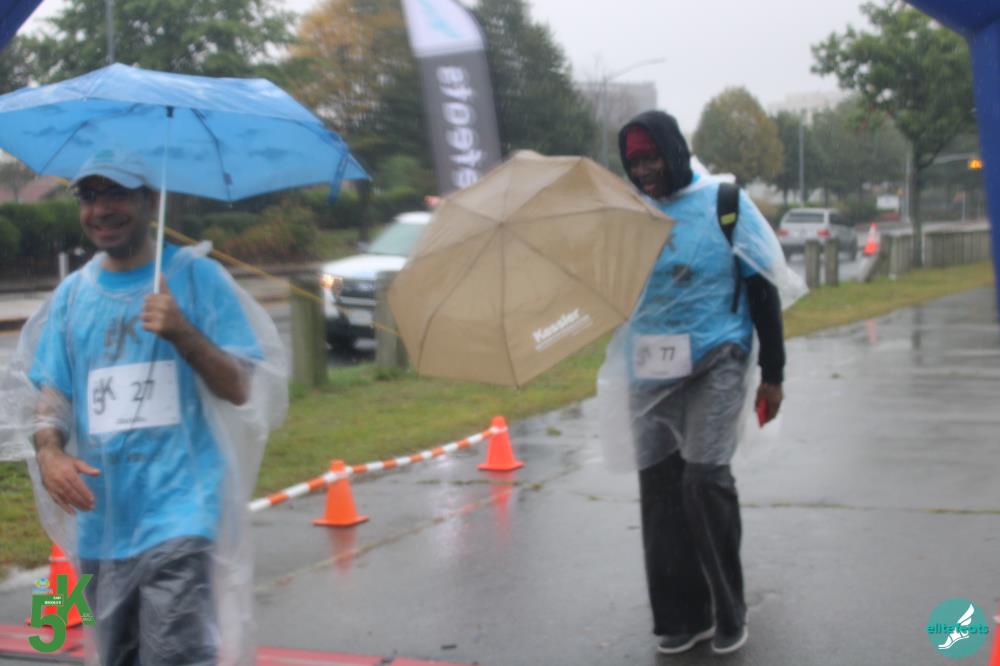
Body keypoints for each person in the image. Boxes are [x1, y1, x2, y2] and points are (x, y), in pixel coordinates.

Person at [26, 147, 284, 665]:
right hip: (102, 521)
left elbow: (240, 386)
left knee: (175, 658)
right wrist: (50, 453)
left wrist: (183, 331)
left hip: (182, 514)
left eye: (117, 193)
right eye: (89, 196)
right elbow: (53, 393)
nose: (101, 209)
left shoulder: (197, 279)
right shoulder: (73, 296)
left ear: (150, 199)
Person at [613, 111, 787, 655]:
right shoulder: (630, 215)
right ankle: (682, 616)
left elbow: (762, 288)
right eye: (634, 162)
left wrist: (773, 374)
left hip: (718, 358)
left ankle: (727, 608)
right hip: (649, 368)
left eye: (651, 157)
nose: (643, 170)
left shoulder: (725, 203)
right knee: (660, 489)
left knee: (704, 481)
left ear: (674, 150)